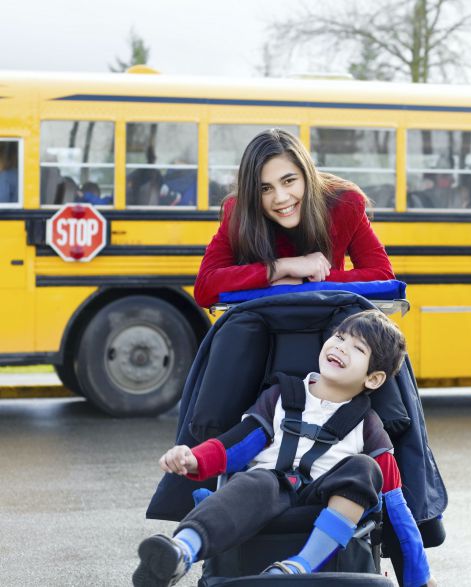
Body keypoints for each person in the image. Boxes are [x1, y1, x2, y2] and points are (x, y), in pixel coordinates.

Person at [132, 310, 435, 587]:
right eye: (339, 337)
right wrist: (193, 458)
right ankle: (180, 551)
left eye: (357, 348)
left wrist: (420, 580)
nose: (341, 347)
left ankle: (299, 566)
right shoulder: (281, 396)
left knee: (365, 468)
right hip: (266, 491)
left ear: (374, 378)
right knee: (257, 479)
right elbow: (234, 446)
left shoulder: (369, 426)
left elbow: (397, 509)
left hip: (328, 502)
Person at [194, 130, 394, 308]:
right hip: (262, 327)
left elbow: (383, 277)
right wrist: (281, 268)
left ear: (307, 176)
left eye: (289, 181)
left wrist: (306, 281)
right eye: (265, 189)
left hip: (329, 327)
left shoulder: (344, 204)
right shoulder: (240, 212)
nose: (281, 198)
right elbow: (205, 288)